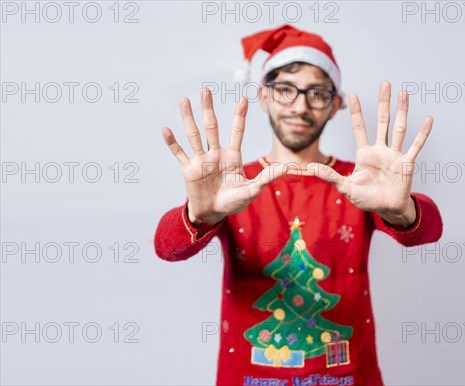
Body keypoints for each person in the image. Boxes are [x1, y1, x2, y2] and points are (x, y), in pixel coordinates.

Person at [154, 24, 443, 386]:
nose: (300, 106)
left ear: (335, 105)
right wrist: (200, 215)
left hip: (349, 377)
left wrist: (403, 211)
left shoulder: (360, 182)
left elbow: (428, 230)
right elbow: (167, 247)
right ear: (264, 96)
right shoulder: (232, 187)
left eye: (317, 93)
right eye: (285, 89)